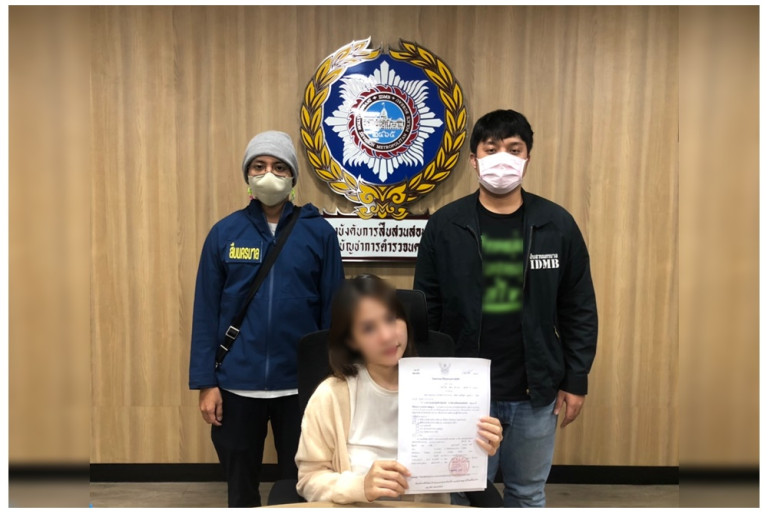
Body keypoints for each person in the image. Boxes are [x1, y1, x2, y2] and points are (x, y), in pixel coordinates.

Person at [414, 109, 598, 507]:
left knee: (526, 493)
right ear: (474, 159)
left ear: (527, 158)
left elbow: (578, 307)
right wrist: (424, 383)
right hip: (463, 392)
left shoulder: (556, 224)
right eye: (491, 148)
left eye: (514, 149)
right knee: (461, 494)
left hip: (535, 391)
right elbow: (426, 309)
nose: (503, 158)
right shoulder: (445, 226)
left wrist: (576, 378)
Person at [188, 130, 345, 507]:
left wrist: (335, 378)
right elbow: (206, 313)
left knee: (302, 484)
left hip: (300, 387)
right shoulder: (224, 233)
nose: (268, 174)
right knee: (241, 486)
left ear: (292, 177)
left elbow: (334, 314)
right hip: (236, 385)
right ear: (247, 175)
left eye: (279, 167)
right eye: (258, 166)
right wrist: (206, 383)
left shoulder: (319, 234)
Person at [295, 274, 503, 505]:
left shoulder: (443, 388)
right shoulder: (331, 396)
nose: (386, 336)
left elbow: (457, 465)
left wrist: (478, 445)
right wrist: (360, 486)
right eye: (368, 328)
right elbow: (309, 480)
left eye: (391, 319)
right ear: (351, 340)